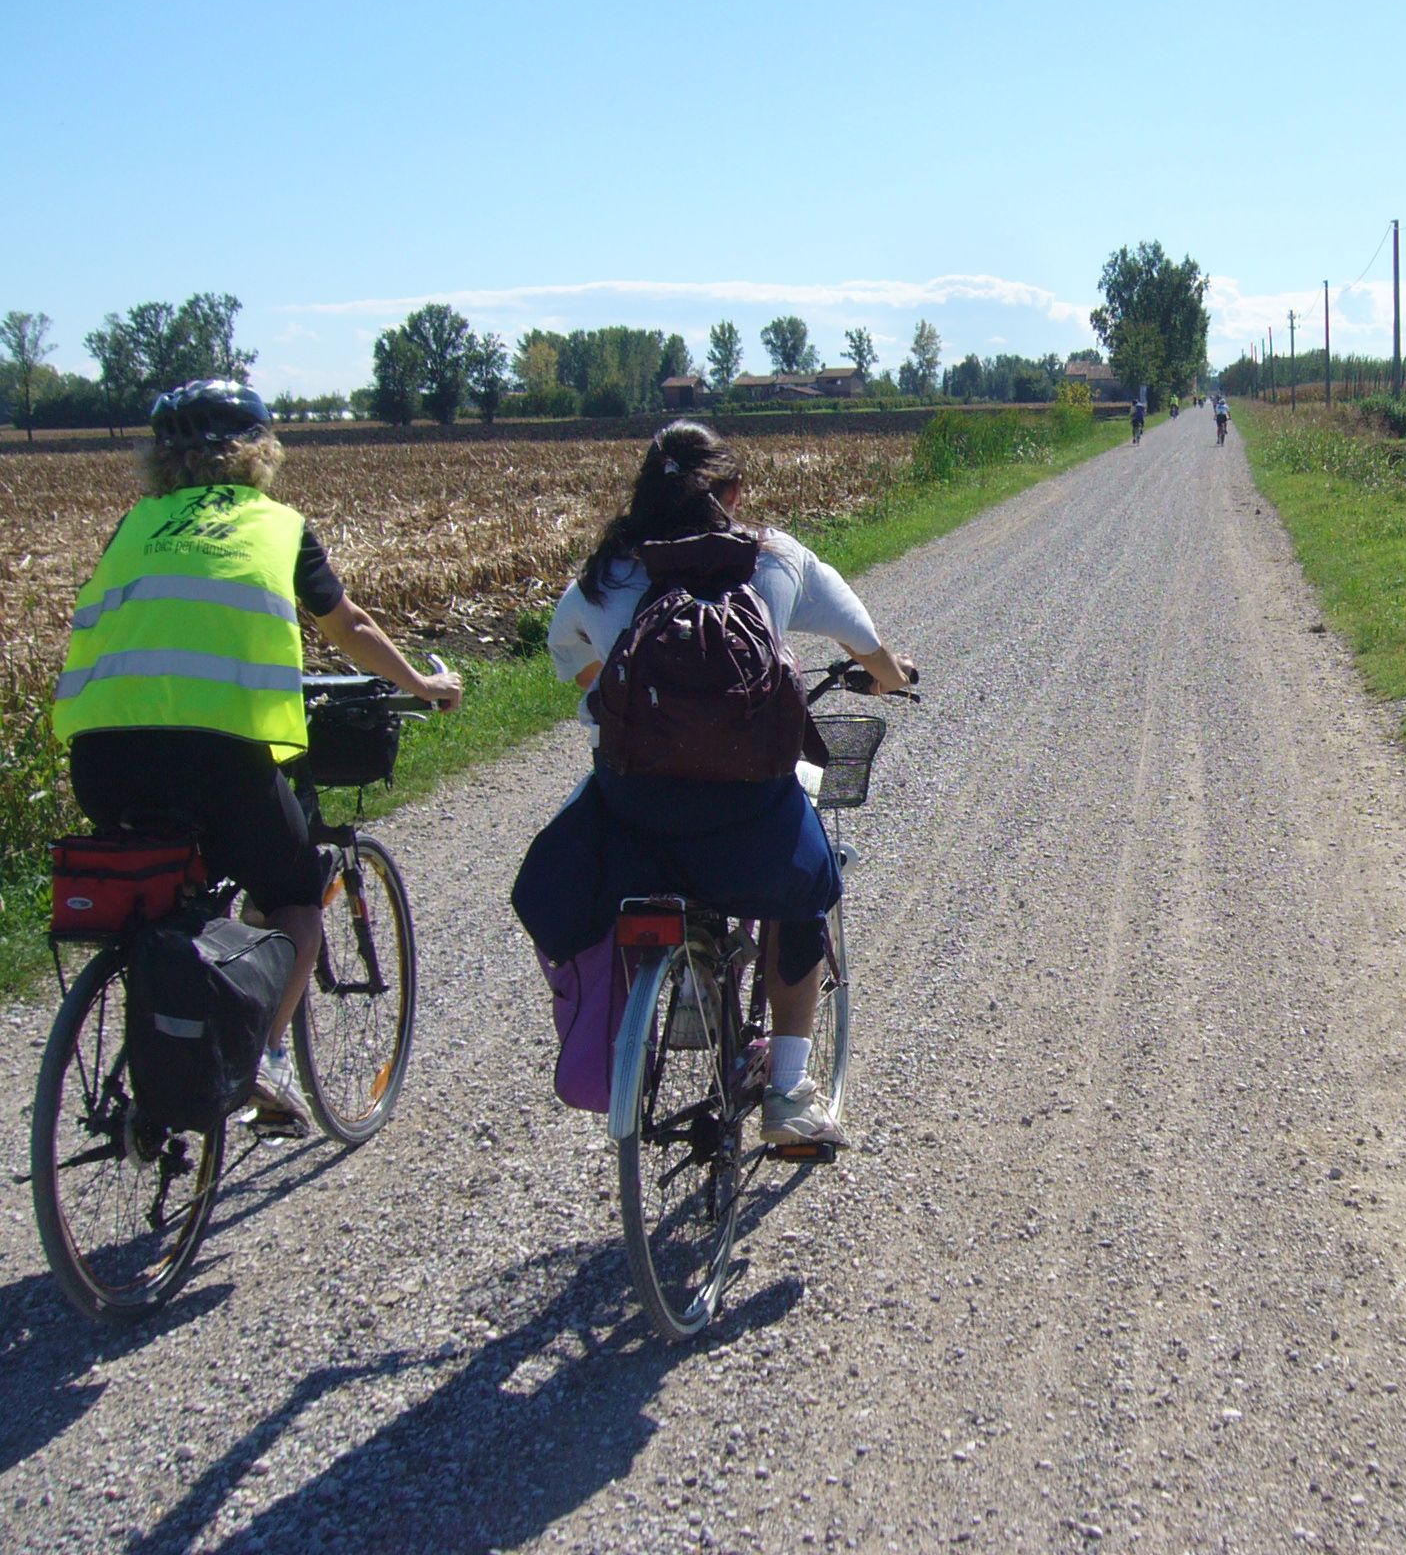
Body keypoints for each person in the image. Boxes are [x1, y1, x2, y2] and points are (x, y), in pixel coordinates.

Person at [54, 380, 464, 1138]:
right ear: (260, 452)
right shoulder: (276, 526)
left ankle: (173, 1022)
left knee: (169, 892)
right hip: (215, 756)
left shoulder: (133, 526)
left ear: (160, 460)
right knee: (295, 897)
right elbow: (350, 624)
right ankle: (266, 1060)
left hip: (101, 754)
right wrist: (422, 683)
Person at [535, 420, 914, 1149]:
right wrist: (892, 678)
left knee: (566, 863)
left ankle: (634, 1024)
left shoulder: (601, 576)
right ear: (734, 492)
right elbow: (868, 645)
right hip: (747, 816)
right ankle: (789, 1091)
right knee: (810, 887)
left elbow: (580, 671)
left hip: (632, 813)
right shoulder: (776, 557)